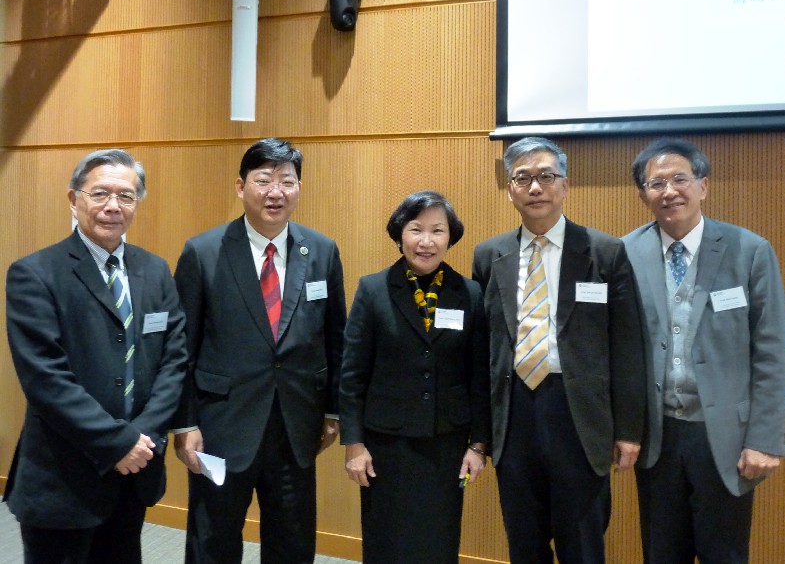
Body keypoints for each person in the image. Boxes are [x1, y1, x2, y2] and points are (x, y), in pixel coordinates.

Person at [3, 149, 188, 564]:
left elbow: (173, 361)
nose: (112, 206)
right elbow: (45, 378)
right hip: (64, 475)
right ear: (74, 199)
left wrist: (144, 436)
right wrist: (117, 442)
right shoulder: (34, 273)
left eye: (126, 196)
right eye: (100, 193)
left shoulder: (155, 271)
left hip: (136, 467)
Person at [472, 136, 645, 564]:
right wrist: (479, 435)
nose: (535, 187)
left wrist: (628, 429)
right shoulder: (489, 254)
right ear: (509, 189)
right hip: (514, 415)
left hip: (578, 415)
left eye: (546, 176)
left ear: (565, 186)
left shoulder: (604, 252)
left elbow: (627, 345)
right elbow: (482, 348)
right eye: (523, 178)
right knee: (524, 540)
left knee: (582, 542)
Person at [173, 138, 347, 563]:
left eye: (287, 181)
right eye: (264, 180)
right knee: (213, 539)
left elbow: (334, 338)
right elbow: (181, 347)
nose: (276, 192)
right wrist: (184, 423)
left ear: (299, 189)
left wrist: (332, 411)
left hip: (295, 424)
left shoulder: (321, 250)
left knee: (293, 539)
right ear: (241, 186)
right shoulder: (204, 251)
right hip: (221, 424)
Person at [622, 137, 785, 563]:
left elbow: (770, 352)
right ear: (643, 194)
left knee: (725, 554)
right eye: (656, 183)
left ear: (703, 186)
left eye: (680, 178)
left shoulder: (749, 250)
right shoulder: (624, 253)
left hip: (726, 438)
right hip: (657, 436)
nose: (669, 191)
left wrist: (765, 439)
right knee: (662, 553)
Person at [339, 190, 491, 564]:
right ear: (399, 234)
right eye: (416, 229)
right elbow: (352, 373)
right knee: (385, 539)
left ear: (450, 237)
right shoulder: (373, 290)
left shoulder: (469, 293)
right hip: (385, 445)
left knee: (438, 541)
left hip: (447, 443)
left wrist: (478, 445)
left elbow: (479, 375)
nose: (426, 241)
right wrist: (354, 444)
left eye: (438, 231)